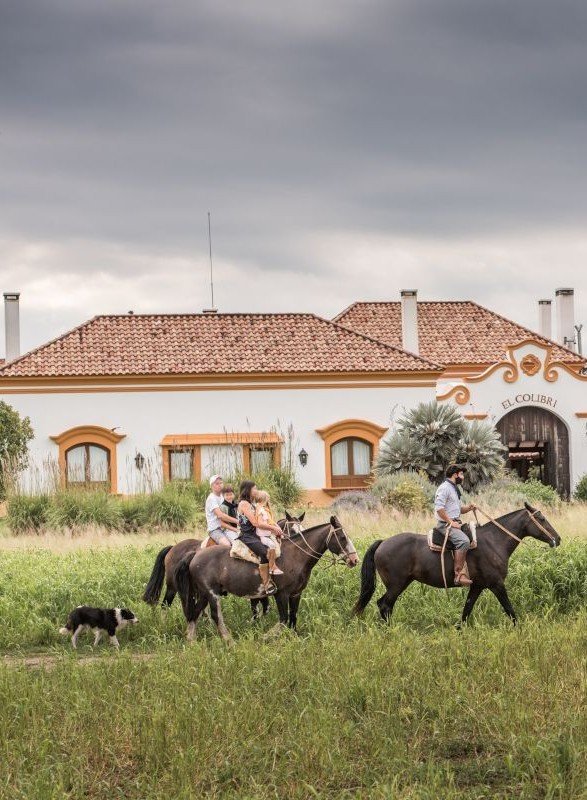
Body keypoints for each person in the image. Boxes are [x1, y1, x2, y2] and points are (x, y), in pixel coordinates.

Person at [237, 480, 283, 595]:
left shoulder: (252, 503)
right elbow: (255, 523)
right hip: (247, 535)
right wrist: (272, 529)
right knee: (264, 552)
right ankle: (267, 584)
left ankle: (272, 570)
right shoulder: (244, 504)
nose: (256, 491)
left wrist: (275, 527)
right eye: (255, 488)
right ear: (248, 490)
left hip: (255, 534)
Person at [434, 465, 477, 586]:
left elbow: (458, 510)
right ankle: (458, 575)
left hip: (454, 522)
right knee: (464, 541)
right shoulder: (444, 488)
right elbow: (439, 508)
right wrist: (450, 522)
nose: (463, 477)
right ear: (455, 475)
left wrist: (469, 508)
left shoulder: (453, 489)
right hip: (445, 525)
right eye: (461, 474)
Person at [255, 490, 284, 576]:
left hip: (267, 533)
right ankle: (272, 567)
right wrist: (273, 528)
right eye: (267, 499)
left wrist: (277, 527)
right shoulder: (260, 510)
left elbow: (269, 521)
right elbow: (260, 523)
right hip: (262, 535)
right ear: (264, 499)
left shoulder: (264, 509)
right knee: (272, 545)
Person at [205, 475, 238, 546]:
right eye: (216, 483)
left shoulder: (223, 496)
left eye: (221, 483)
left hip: (225, 527)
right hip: (215, 529)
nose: (219, 485)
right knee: (227, 544)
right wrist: (237, 521)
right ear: (211, 486)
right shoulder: (211, 498)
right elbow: (221, 515)